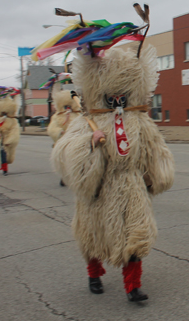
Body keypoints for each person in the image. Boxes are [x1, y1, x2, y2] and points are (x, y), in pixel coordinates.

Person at [52, 43, 175, 302]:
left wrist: (155, 175)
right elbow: (64, 153)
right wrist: (90, 145)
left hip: (130, 186)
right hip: (99, 188)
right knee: (93, 234)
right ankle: (94, 273)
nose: (118, 98)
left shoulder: (139, 119)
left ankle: (133, 287)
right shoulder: (87, 120)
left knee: (136, 233)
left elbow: (155, 147)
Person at [0, 86, 21, 176]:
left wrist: (10, 140)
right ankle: (4, 168)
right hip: (0, 139)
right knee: (1, 153)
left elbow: (15, 131)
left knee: (10, 157)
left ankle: (6, 162)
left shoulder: (12, 120)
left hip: (8, 139)